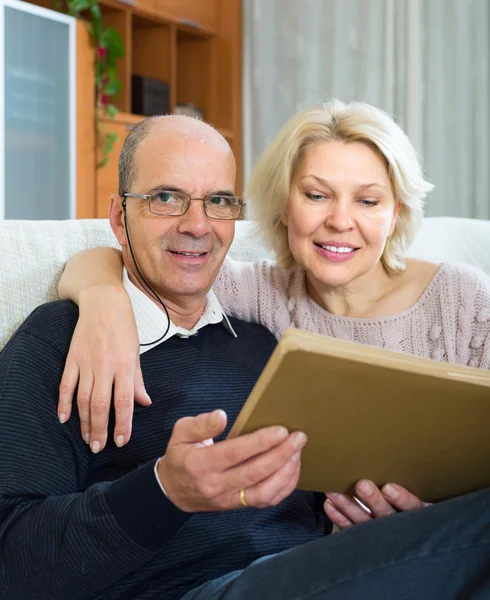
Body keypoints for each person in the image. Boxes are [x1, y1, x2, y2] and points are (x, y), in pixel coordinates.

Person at [2, 112, 490, 599]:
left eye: (217, 202)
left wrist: (378, 526)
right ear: (118, 216)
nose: (196, 225)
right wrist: (163, 492)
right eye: (166, 198)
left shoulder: (267, 338)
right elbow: (10, 558)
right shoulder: (60, 339)